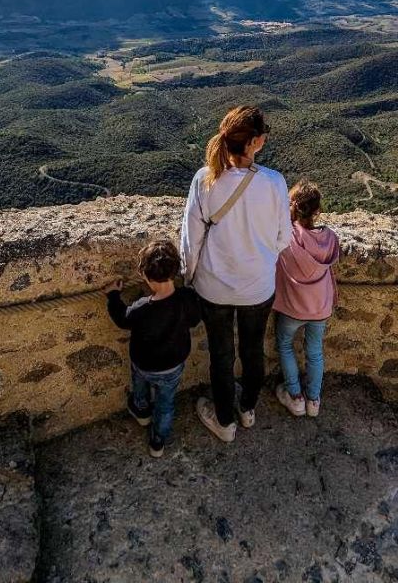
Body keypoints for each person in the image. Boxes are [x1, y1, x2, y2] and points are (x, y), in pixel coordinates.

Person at [181, 105, 291, 443]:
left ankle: (224, 421)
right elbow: (283, 239)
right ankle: (247, 409)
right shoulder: (274, 183)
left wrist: (188, 278)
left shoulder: (204, 180)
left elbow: (191, 238)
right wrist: (258, 258)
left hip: (213, 288)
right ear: (256, 142)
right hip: (257, 288)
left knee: (222, 355)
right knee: (253, 350)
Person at [106, 239, 200, 458]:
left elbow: (122, 319)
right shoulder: (187, 299)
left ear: (145, 276)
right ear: (176, 270)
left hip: (144, 364)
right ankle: (158, 441)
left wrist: (113, 296)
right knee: (166, 404)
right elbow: (194, 319)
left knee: (140, 386)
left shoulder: (141, 308)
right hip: (172, 366)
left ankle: (141, 410)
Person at [273, 180, 340, 418]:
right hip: (320, 307)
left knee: (284, 344)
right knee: (315, 352)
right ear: (317, 211)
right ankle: (313, 400)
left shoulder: (286, 235)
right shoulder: (329, 238)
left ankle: (295, 395)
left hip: (292, 307)